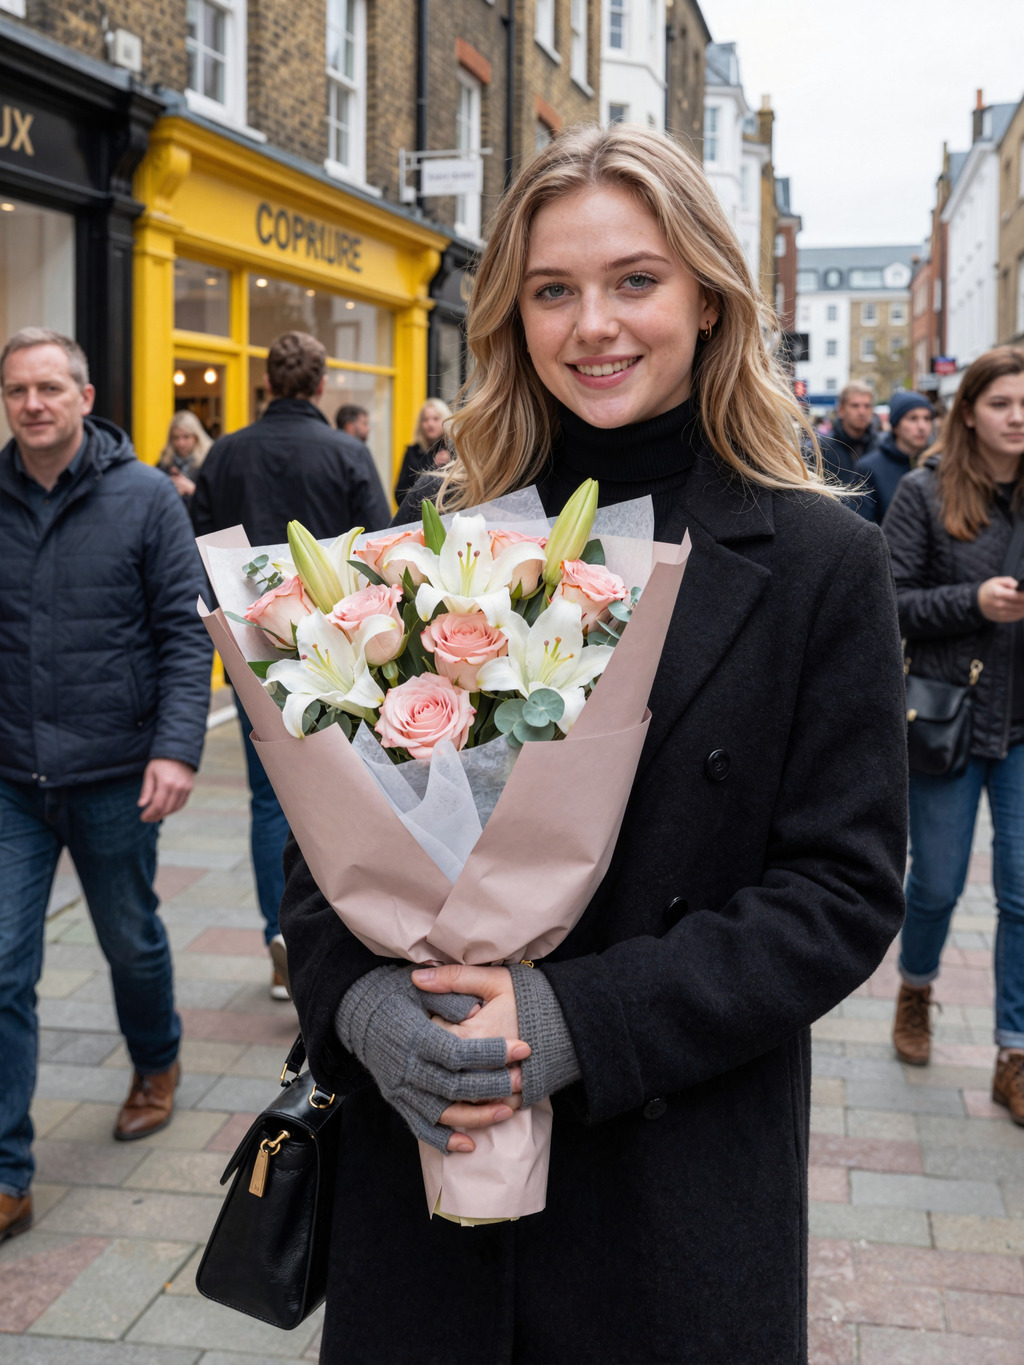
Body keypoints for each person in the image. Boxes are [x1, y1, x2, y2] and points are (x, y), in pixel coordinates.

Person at [278, 125, 907, 1363]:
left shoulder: (822, 562)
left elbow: (842, 891)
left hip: (670, 1190)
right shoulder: (444, 545)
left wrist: (580, 1021)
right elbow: (326, 840)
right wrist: (357, 1008)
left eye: (635, 281)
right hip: (433, 1179)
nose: (593, 326)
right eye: (552, 291)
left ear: (709, 301)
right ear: (512, 317)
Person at [0, 328, 211, 1242]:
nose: (33, 404)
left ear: (86, 397)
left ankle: (156, 1059)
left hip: (116, 771)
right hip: (10, 777)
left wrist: (178, 749)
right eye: (16, 391)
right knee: (3, 966)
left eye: (50, 387)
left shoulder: (146, 499)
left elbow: (184, 630)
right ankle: (7, 1171)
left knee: (129, 940)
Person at [192, 332, 389, 998]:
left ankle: (277, 931)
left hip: (254, 651)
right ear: (320, 385)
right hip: (336, 651)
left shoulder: (225, 453)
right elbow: (380, 553)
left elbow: (201, 551)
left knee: (265, 800)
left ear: (268, 383)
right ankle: (334, 929)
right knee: (345, 791)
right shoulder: (348, 452)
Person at [884, 347, 1024, 1124]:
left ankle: (1013, 1049)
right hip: (949, 719)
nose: (1017, 416)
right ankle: (916, 984)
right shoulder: (925, 491)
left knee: (1022, 892)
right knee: (934, 883)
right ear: (969, 410)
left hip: (1023, 724)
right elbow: (894, 603)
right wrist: (977, 600)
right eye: (1003, 402)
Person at [857, 389, 935, 523]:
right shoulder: (870, 468)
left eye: (927, 418)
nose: (922, 426)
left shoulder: (936, 464)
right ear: (896, 425)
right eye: (913, 418)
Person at [393, 397, 451, 507]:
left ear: (445, 420)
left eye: (435, 418)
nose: (430, 424)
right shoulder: (413, 452)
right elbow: (400, 494)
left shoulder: (455, 450)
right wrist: (432, 466)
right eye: (425, 419)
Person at [818, 381, 875, 486]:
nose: (862, 412)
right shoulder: (822, 449)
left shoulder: (880, 447)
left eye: (867, 406)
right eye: (855, 405)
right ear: (841, 410)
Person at [157, 409, 211, 503]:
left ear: (196, 437)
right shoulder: (164, 463)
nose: (181, 443)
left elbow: (217, 498)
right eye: (176, 437)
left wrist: (192, 489)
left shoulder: (209, 462)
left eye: (186, 437)